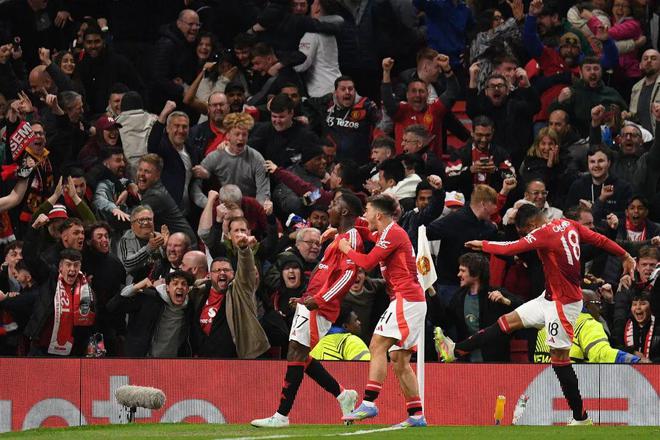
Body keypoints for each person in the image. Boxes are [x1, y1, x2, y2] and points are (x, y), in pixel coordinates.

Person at [436, 204, 636, 425]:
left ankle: (580, 417)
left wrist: (483, 244)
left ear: (531, 225)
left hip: (563, 304)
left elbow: (511, 248)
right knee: (506, 322)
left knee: (559, 359)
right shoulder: (568, 224)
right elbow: (599, 239)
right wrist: (625, 255)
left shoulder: (544, 232)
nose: (527, 237)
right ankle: (455, 350)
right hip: (548, 298)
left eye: (525, 232)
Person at [250, 192, 364, 428]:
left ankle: (282, 415)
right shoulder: (341, 236)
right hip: (312, 300)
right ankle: (343, 395)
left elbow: (347, 276)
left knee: (297, 352)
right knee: (298, 352)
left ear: (344, 211)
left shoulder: (351, 238)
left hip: (321, 305)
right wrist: (305, 298)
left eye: (334, 204)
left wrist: (319, 300)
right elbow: (326, 273)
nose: (329, 208)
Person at [338, 194, 427, 427]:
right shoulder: (386, 233)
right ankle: (416, 415)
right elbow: (366, 231)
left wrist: (345, 248)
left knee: (377, 345)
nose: (364, 215)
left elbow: (367, 263)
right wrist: (339, 232)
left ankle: (369, 402)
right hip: (410, 300)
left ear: (378, 214)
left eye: (367, 210)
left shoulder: (394, 233)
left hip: (406, 298)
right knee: (399, 359)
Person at [429, 252, 523, 362]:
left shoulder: (496, 294)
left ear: (476, 274)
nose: (458, 274)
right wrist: (432, 294)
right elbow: (444, 322)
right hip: (467, 363)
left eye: (463, 271)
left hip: (495, 363)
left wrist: (506, 301)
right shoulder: (459, 297)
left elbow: (524, 310)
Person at [189, 234, 270, 358]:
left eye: (226, 270)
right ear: (209, 275)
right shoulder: (198, 293)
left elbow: (246, 271)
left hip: (236, 361)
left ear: (233, 274)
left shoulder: (240, 291)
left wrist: (244, 250)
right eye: (217, 270)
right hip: (203, 360)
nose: (222, 273)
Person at [534, 289, 645, 363]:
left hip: (542, 385)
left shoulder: (548, 322)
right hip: (575, 384)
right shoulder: (587, 324)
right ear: (586, 305)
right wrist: (635, 361)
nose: (600, 309)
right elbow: (601, 354)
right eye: (597, 304)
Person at [24, 249, 96, 356]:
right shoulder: (49, 280)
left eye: (76, 265)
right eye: (68, 265)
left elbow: (90, 323)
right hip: (41, 350)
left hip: (70, 353)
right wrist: (33, 237)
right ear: (60, 267)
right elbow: (31, 257)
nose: (72, 269)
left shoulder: (87, 292)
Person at [108, 270, 194, 357]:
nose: (180, 287)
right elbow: (113, 307)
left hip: (171, 362)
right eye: (175, 284)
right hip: (141, 358)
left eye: (184, 284)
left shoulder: (189, 308)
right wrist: (135, 287)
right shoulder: (149, 298)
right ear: (167, 287)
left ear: (187, 289)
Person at [191, 112, 270, 207]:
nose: (241, 138)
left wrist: (257, 209)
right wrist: (208, 205)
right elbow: (195, 186)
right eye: (237, 134)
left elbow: (263, 192)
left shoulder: (256, 158)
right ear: (228, 135)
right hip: (223, 208)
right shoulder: (215, 156)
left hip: (248, 207)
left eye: (244, 134)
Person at [135, 154, 197, 247]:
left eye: (147, 171)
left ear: (157, 175)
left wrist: (114, 209)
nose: (141, 174)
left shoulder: (154, 196)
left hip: (184, 247)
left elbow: (133, 221)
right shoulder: (153, 189)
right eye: (140, 170)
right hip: (177, 244)